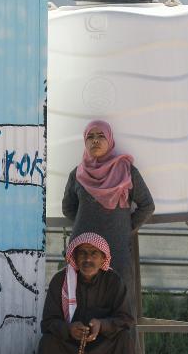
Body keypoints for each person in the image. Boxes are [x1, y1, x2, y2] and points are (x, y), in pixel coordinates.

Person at [62, 120, 154, 337]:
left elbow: (147, 205)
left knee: (122, 308)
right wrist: (87, 225)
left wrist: (124, 228)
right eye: (90, 136)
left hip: (117, 253)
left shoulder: (126, 171)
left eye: (100, 136)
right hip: (82, 255)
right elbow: (68, 208)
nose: (95, 140)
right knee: (82, 308)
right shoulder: (77, 174)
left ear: (110, 139)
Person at [34, 232, 137, 354]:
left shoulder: (113, 281)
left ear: (103, 258)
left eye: (93, 254)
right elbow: (48, 322)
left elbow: (125, 318)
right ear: (74, 256)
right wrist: (68, 329)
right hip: (69, 347)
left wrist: (102, 325)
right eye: (82, 253)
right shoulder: (61, 280)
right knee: (48, 342)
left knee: (124, 340)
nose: (87, 259)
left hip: (103, 348)